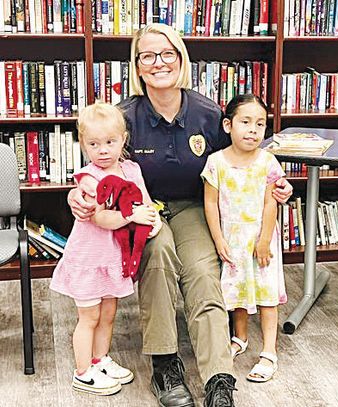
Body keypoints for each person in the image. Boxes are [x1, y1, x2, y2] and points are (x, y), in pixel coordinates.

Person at [67, 23, 292, 407]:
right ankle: (165, 364)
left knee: (203, 272)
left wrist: (276, 185)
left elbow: (242, 159)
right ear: (137, 67)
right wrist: (77, 195)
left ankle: (219, 377)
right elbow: (97, 167)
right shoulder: (124, 118)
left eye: (167, 53)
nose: (159, 63)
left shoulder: (207, 113)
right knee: (158, 258)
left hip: (193, 208)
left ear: (181, 59)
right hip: (143, 212)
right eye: (148, 56)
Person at [51, 103, 162, 396]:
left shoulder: (131, 169)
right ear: (83, 143)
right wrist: (131, 216)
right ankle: (83, 372)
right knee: (89, 317)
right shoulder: (89, 178)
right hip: (89, 258)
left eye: (110, 142)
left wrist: (152, 219)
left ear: (123, 139)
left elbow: (146, 202)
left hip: (114, 258)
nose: (102, 150)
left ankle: (100, 360)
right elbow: (100, 218)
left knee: (109, 313)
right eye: (94, 144)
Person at [202, 94, 287, 383]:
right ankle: (240, 337)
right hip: (232, 240)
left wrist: (264, 240)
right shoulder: (215, 163)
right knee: (236, 292)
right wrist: (218, 240)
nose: (253, 130)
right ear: (228, 125)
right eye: (246, 122)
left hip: (261, 241)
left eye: (260, 124)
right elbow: (210, 204)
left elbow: (270, 203)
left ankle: (269, 351)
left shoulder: (268, 162)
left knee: (266, 295)